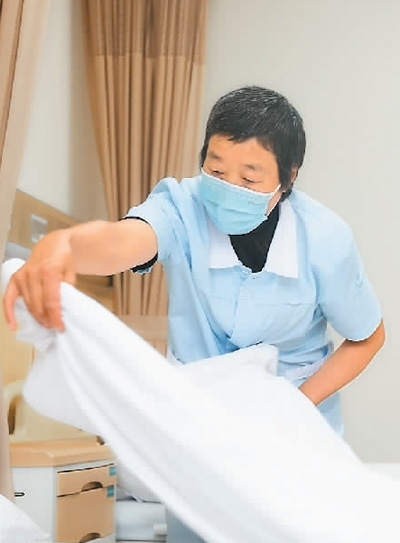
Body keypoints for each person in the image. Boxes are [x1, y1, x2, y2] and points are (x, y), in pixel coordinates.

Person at [3, 85, 384, 437]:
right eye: (216, 171)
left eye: (249, 180)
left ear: (289, 178)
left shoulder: (324, 239)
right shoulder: (181, 206)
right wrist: (64, 244)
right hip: (197, 420)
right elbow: (121, 241)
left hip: (296, 427)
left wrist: (296, 406)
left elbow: (367, 337)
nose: (229, 187)